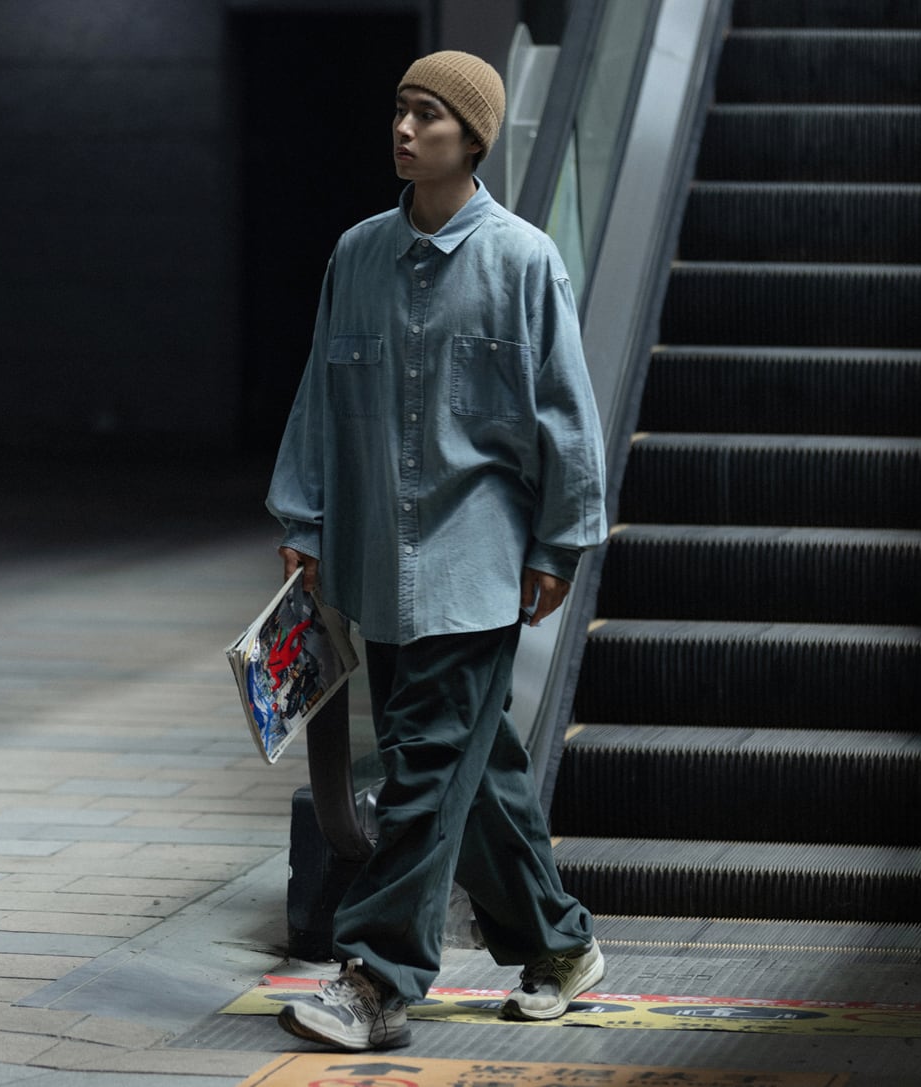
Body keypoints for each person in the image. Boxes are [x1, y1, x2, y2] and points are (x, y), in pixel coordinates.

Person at [266, 50, 607, 1052]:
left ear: (474, 139)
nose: (405, 129)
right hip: (380, 566)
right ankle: (560, 942)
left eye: (429, 116)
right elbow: (320, 397)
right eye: (401, 110)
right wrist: (303, 521)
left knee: (418, 775)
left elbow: (566, 414)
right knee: (472, 771)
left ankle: (377, 980)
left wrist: (559, 543)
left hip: (478, 567)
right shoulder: (358, 254)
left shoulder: (523, 260)